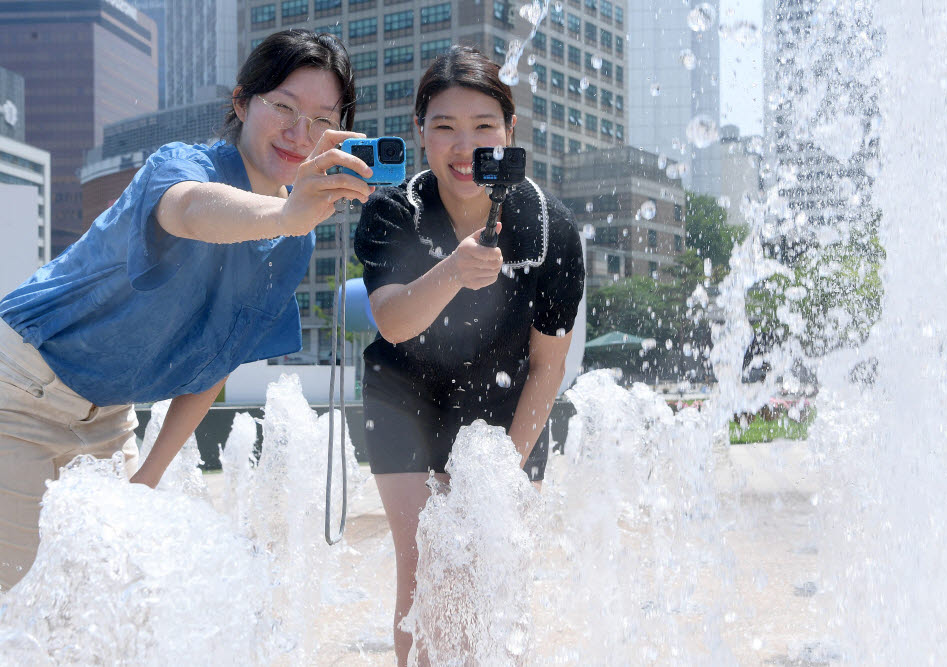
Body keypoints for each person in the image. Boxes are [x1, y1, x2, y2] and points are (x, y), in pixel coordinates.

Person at [0, 29, 375, 591]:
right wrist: (283, 216)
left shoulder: (294, 235)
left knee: (116, 602)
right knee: (18, 596)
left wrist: (147, 476)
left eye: (324, 119)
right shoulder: (183, 165)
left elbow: (219, 356)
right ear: (242, 102)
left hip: (106, 420)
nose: (302, 134)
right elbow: (189, 211)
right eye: (285, 108)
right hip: (21, 391)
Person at [353, 46, 585, 665]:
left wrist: (501, 477)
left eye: (484, 127)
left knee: (489, 575)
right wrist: (453, 271)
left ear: (510, 134)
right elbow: (394, 322)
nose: (464, 147)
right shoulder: (392, 212)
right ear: (421, 134)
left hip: (506, 404)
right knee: (428, 566)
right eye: (445, 127)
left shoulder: (549, 229)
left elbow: (548, 366)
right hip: (404, 396)